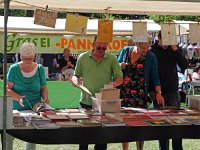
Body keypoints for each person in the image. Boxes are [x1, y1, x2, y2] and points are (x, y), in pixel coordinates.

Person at [71, 35, 123, 150]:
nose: (101, 51)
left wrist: (113, 85)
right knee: (84, 135)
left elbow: (120, 78)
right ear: (93, 44)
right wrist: (75, 81)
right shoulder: (83, 57)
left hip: (103, 103)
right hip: (85, 101)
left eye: (104, 49)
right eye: (99, 48)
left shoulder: (112, 59)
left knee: (102, 137)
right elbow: (76, 75)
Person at [118, 37, 165, 150]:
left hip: (140, 96)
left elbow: (155, 76)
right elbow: (115, 66)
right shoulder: (125, 51)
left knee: (140, 125)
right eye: (143, 47)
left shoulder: (151, 57)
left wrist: (158, 92)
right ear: (136, 44)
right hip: (124, 94)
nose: (146, 49)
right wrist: (120, 66)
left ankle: (140, 148)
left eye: (148, 47)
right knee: (125, 124)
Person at [150, 31, 188, 150]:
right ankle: (163, 148)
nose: (166, 43)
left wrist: (176, 49)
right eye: (164, 40)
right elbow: (151, 73)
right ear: (159, 39)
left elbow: (184, 64)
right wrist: (154, 92)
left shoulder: (174, 50)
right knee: (162, 127)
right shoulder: (153, 51)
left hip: (173, 91)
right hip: (159, 93)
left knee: (176, 125)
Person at [6, 42, 49, 150]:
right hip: (16, 109)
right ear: (20, 56)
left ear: (34, 56)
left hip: (34, 109)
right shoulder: (14, 69)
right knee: (9, 136)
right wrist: (17, 97)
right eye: (25, 58)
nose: (27, 61)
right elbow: (7, 89)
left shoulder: (39, 69)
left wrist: (45, 99)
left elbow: (43, 87)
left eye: (30, 58)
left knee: (31, 137)